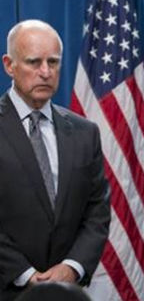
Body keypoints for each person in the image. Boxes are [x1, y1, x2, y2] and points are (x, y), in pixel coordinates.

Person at [0, 20, 110, 300]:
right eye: (34, 62)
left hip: (68, 292)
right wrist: (24, 274)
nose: (45, 72)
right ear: (9, 65)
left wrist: (72, 267)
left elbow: (97, 212)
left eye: (53, 62)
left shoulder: (85, 132)